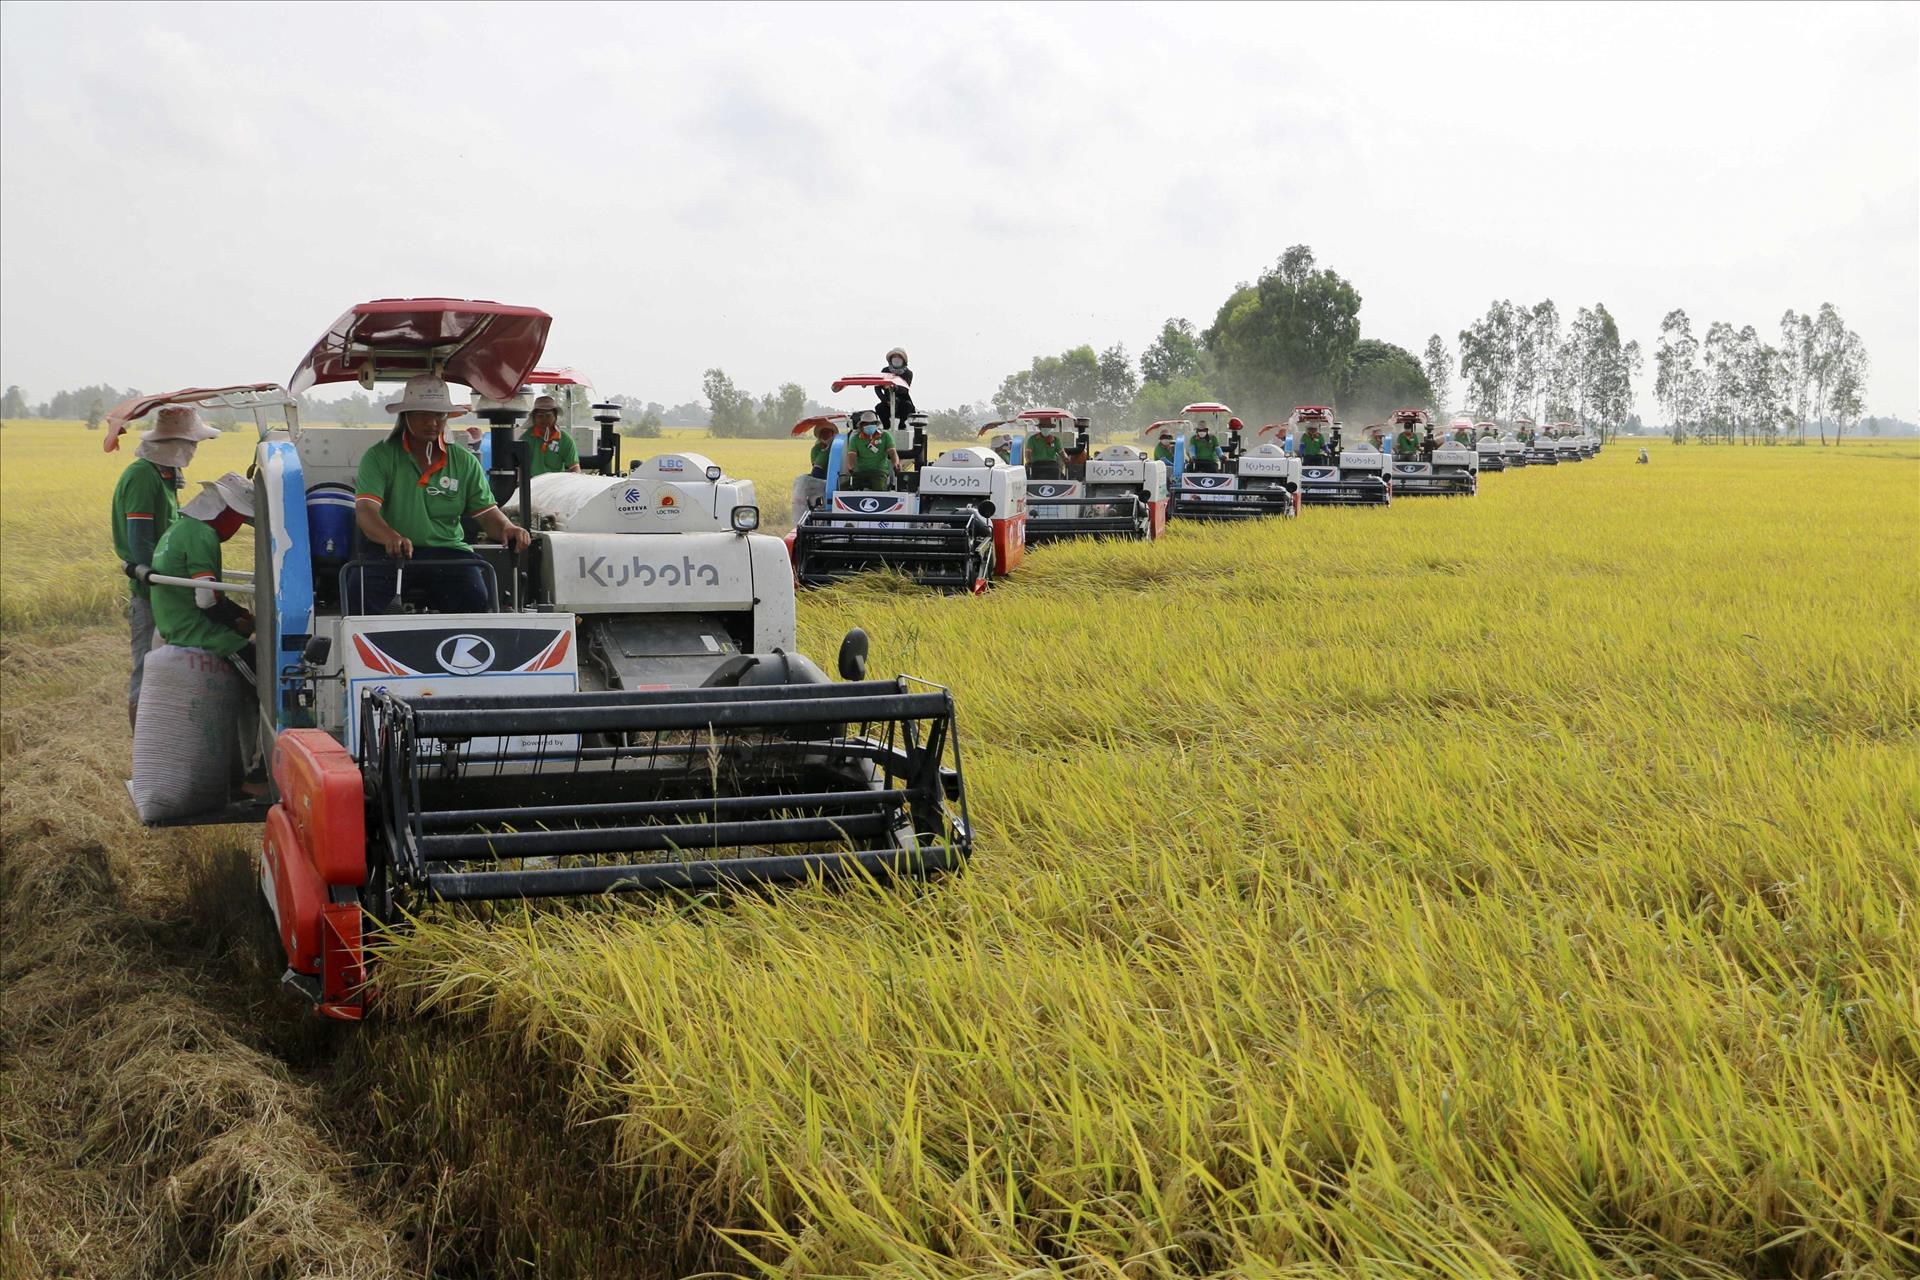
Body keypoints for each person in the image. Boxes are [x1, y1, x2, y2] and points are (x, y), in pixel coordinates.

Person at [351, 375, 531, 614]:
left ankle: (463, 647)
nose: (432, 422)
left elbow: (487, 512)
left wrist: (507, 527)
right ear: (406, 416)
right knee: (359, 590)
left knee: (475, 595)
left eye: (439, 415)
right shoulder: (379, 457)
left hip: (448, 553)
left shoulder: (464, 461)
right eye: (423, 414)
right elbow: (366, 511)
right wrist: (390, 537)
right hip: (389, 552)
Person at [111, 404, 219, 731]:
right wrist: (167, 583)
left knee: (168, 669)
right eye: (191, 444)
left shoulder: (165, 475)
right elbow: (141, 543)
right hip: (152, 592)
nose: (194, 450)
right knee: (147, 669)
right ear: (174, 445)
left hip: (167, 590)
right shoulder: (143, 476)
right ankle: (145, 760)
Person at [524, 394, 582, 477]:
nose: (544, 420)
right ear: (534, 418)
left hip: (555, 485)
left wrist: (575, 480)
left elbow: (575, 467)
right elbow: (519, 466)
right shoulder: (526, 438)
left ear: (555, 416)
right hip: (532, 484)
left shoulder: (565, 439)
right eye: (540, 416)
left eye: (548, 416)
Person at [842, 411, 900, 491]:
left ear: (876, 424)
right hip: (860, 471)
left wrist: (896, 464)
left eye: (872, 423)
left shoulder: (885, 436)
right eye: (866, 424)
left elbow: (892, 452)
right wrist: (850, 467)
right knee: (844, 488)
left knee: (879, 488)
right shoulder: (855, 438)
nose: (869, 426)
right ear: (862, 425)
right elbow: (851, 455)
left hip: (879, 471)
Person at [877, 346, 916, 429]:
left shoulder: (908, 373)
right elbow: (877, 387)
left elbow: (905, 389)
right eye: (894, 357)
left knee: (907, 406)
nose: (896, 359)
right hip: (887, 400)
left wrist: (896, 388)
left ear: (903, 360)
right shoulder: (885, 371)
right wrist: (884, 399)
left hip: (902, 401)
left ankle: (902, 425)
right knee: (879, 407)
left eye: (899, 357)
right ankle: (886, 426)